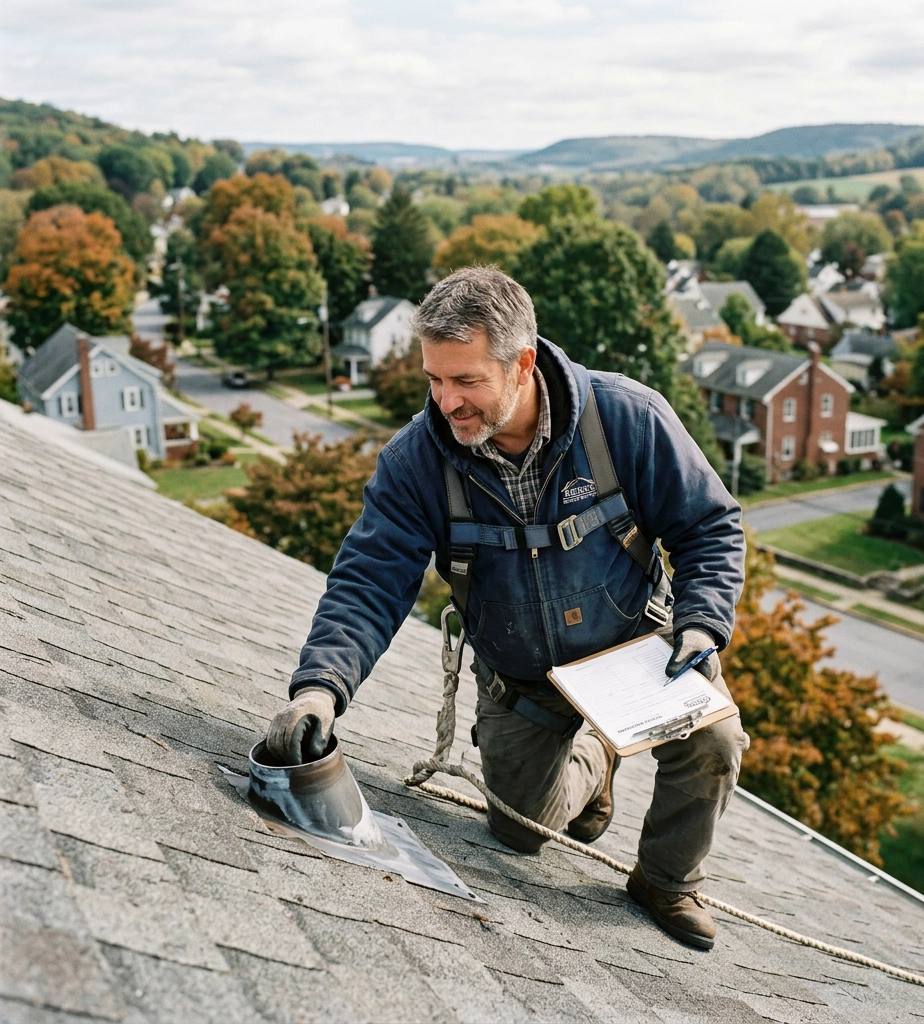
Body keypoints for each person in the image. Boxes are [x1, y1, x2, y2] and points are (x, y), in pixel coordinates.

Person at [266, 266, 747, 950]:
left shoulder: (627, 419)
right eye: (434, 380)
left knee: (716, 742)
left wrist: (701, 622)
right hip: (522, 679)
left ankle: (666, 881)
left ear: (523, 364)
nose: (446, 402)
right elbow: (368, 582)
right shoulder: (417, 462)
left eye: (466, 382)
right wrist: (319, 693)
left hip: (637, 651)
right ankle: (597, 763)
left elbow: (710, 527)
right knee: (523, 834)